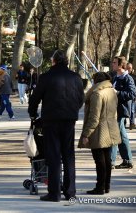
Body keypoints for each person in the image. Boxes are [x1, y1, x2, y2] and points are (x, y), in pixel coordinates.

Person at [28, 50, 84, 202]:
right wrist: (72, 111)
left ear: (53, 61)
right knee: (68, 156)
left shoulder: (46, 77)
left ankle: (54, 193)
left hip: (51, 120)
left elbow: (35, 98)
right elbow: (81, 99)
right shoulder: (76, 77)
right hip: (69, 120)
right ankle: (70, 191)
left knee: (53, 156)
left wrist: (33, 114)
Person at [78, 72, 121, 195]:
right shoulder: (111, 91)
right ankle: (106, 186)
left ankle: (100, 187)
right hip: (111, 128)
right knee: (107, 159)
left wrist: (86, 134)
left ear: (96, 81)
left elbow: (94, 118)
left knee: (99, 161)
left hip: (99, 131)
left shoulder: (96, 94)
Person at [111, 56, 136, 169]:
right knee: (121, 135)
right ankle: (127, 160)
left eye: (115, 63)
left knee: (115, 135)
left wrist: (118, 93)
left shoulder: (127, 78)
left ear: (121, 65)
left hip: (121, 110)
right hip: (114, 109)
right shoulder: (115, 77)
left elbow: (132, 94)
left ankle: (111, 161)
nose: (113, 64)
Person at [126, 63, 136, 130]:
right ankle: (124, 122)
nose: (129, 69)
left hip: (132, 96)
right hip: (124, 96)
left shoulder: (134, 77)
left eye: (130, 68)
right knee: (125, 110)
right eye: (127, 68)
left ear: (132, 69)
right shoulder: (123, 76)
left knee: (132, 110)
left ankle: (132, 123)